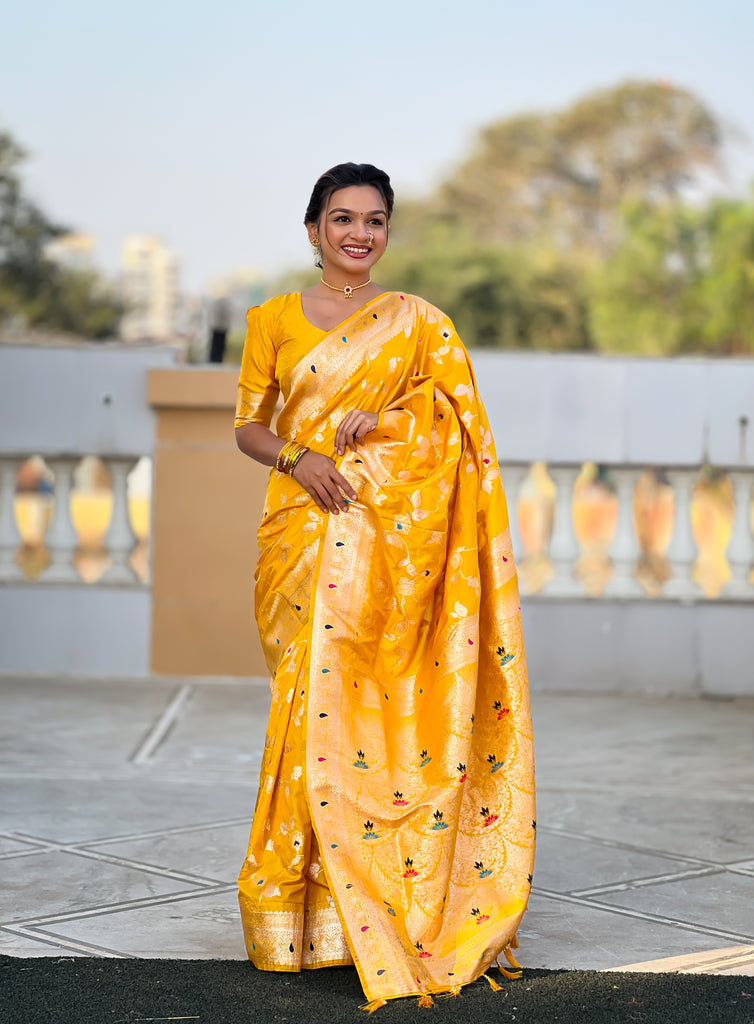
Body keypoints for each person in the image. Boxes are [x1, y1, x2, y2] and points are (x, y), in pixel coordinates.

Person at [234, 162, 535, 1011]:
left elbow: (459, 426)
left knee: (373, 712)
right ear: (314, 230)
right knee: (304, 708)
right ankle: (298, 907)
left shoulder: (420, 325)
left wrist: (396, 419)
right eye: (342, 218)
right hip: (299, 539)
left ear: (387, 230)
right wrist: (303, 458)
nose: (359, 234)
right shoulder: (270, 320)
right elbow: (249, 428)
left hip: (389, 551)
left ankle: (380, 901)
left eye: (374, 220)